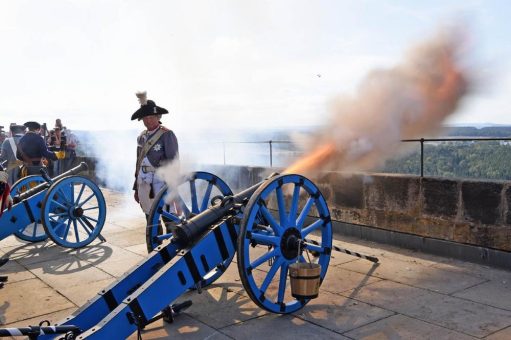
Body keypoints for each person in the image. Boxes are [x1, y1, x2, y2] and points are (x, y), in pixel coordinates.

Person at [132, 91, 179, 216]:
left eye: (151, 117)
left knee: (167, 215)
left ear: (158, 117)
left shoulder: (166, 135)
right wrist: (136, 188)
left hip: (161, 180)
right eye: (145, 118)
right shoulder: (141, 137)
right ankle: (154, 236)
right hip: (144, 181)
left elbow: (173, 161)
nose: (148, 121)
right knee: (150, 216)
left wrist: (173, 186)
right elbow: (139, 163)